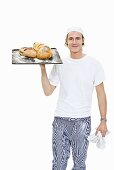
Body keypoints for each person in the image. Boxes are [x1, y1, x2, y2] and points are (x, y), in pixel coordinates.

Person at [40, 27, 108, 170]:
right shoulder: (60, 64)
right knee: (58, 164)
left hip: (82, 121)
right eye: (71, 38)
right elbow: (48, 91)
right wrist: (42, 69)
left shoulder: (94, 64)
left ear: (83, 41)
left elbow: (101, 94)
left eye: (78, 38)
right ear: (66, 42)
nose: (74, 41)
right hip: (60, 120)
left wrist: (103, 121)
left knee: (79, 164)